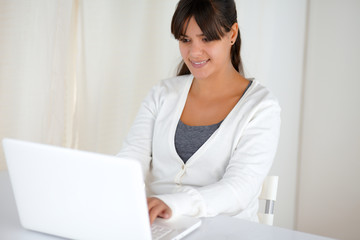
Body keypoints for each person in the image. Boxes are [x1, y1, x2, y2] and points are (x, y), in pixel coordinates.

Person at [117, 0, 281, 225]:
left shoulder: (261, 107)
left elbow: (239, 189)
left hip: (226, 232)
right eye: (185, 40)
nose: (194, 52)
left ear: (232, 34)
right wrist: (117, 194)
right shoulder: (162, 94)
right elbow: (131, 158)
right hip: (160, 228)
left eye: (207, 38)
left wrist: (173, 203)